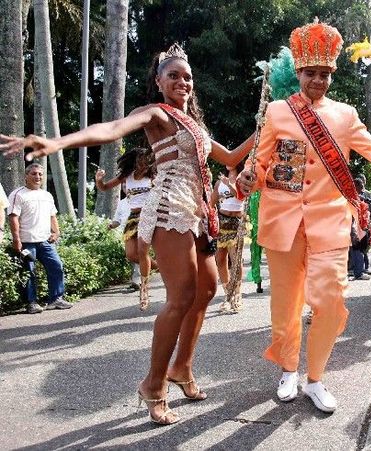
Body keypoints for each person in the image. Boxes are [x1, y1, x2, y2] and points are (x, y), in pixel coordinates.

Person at [1, 43, 253, 425]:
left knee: (207, 290)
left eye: (187, 76)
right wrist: (59, 142)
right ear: (159, 81)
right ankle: (153, 384)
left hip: (201, 212)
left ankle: (181, 368)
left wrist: (267, 125)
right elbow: (112, 128)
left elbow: (232, 159)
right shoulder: (155, 114)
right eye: (173, 75)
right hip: (169, 208)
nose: (182, 81)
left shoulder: (196, 127)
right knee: (182, 294)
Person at [237, 19, 371, 414]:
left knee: (331, 301)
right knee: (285, 303)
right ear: (298, 73)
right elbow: (260, 165)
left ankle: (316, 378)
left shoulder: (345, 115)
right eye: (310, 73)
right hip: (282, 222)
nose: (317, 80)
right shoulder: (277, 111)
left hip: (330, 222)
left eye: (324, 74)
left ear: (332, 75)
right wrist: (249, 177)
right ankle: (288, 369)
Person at [95, 147, 157, 310]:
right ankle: (160, 266)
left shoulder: (153, 177)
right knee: (131, 254)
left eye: (147, 160)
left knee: (142, 251)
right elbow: (105, 187)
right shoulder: (126, 176)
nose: (144, 163)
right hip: (132, 217)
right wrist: (99, 180)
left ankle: (144, 291)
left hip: (148, 216)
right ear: (134, 161)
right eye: (141, 160)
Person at [7, 163, 71, 313]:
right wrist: (16, 240)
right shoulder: (18, 194)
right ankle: (31, 303)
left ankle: (56, 299)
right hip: (26, 242)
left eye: (40, 174)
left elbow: (52, 216)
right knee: (29, 271)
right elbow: (13, 218)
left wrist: (56, 232)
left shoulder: (46, 195)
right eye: (34, 174)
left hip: (45, 241)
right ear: (26, 176)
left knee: (56, 266)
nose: (37, 177)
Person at [210, 168, 245, 313]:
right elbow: (212, 202)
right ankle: (227, 295)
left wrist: (229, 184)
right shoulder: (219, 182)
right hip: (222, 221)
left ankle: (237, 295)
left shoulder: (244, 177)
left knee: (236, 259)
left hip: (236, 221)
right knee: (220, 258)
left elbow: (241, 196)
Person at [108, 193, 142, 290]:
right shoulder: (122, 203)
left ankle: (137, 281)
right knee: (131, 256)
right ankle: (156, 268)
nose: (125, 186)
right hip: (125, 233)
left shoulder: (141, 198)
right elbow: (117, 221)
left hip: (139, 229)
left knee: (137, 253)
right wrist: (110, 226)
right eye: (124, 185)